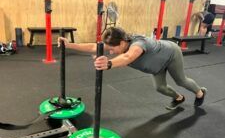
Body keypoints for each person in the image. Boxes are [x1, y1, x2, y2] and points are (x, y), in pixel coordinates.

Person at [58, 27, 207, 110]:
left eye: (113, 48)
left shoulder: (138, 44)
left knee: (181, 80)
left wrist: (109, 64)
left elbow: (128, 57)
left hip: (171, 55)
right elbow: (93, 46)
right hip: (156, 65)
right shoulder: (118, 44)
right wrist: (69, 44)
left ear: (123, 42)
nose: (110, 51)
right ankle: (179, 98)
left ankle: (200, 92)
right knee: (160, 88)